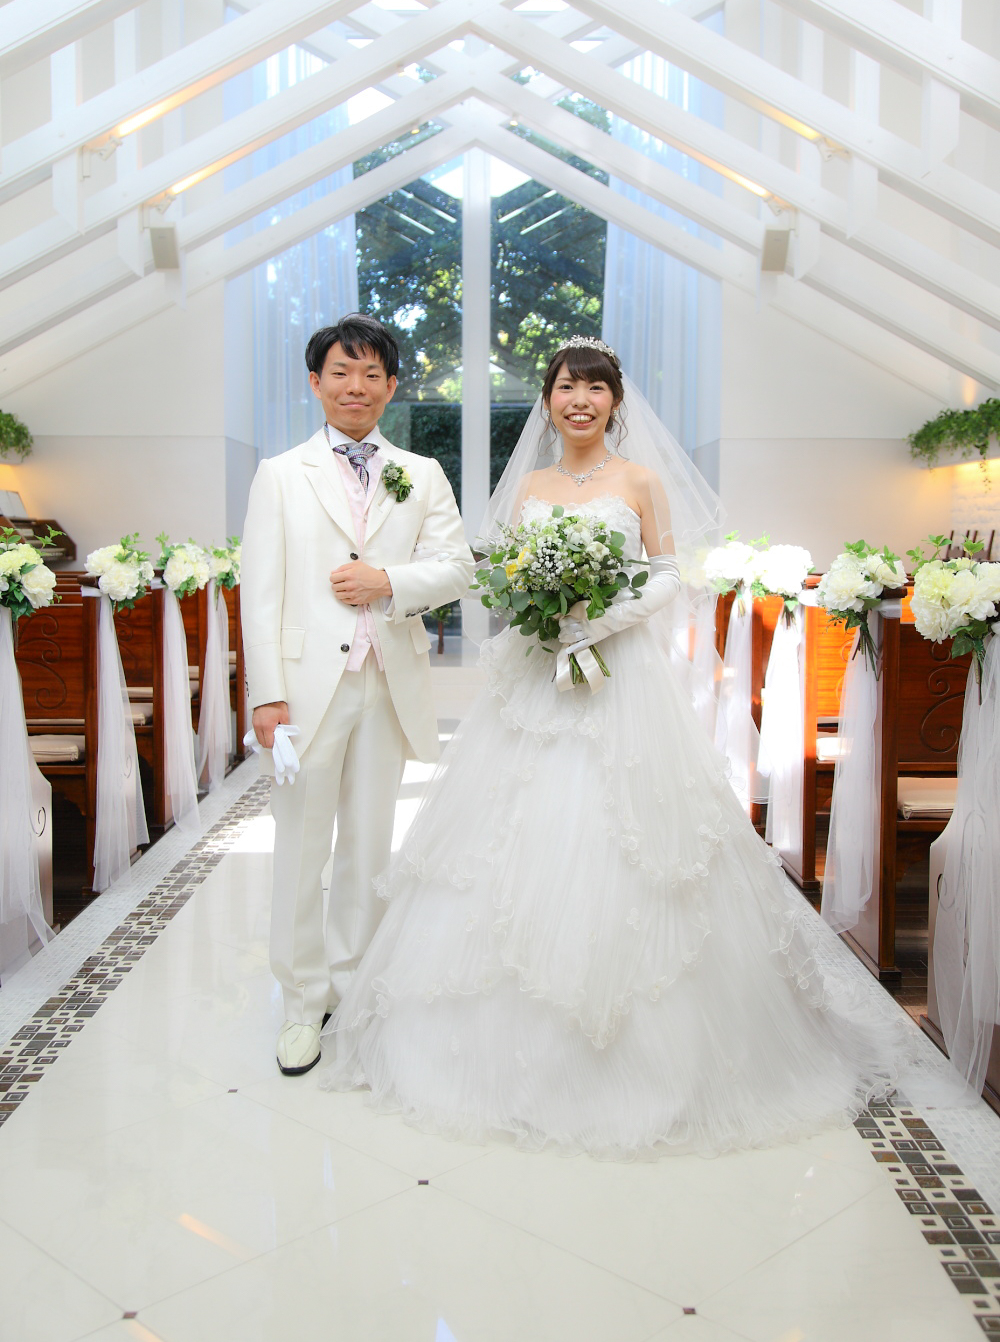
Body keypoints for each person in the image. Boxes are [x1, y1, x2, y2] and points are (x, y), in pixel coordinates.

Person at [319, 336, 908, 1157]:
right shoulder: (529, 487)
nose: (580, 401)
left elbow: (666, 571)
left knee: (637, 840)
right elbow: (499, 573)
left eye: (595, 389)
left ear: (616, 402)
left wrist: (604, 618)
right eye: (567, 387)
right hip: (538, 674)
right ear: (549, 400)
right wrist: (544, 607)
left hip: (621, 675)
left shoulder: (639, 482)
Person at [241, 314, 474, 1077]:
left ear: (392, 385)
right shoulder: (281, 474)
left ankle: (351, 986)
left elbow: (458, 567)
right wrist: (267, 695)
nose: (356, 386)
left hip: (387, 680)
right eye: (342, 372)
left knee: (370, 846)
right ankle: (300, 1002)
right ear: (316, 382)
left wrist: (388, 582)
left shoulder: (421, 473)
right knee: (301, 847)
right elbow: (259, 590)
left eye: (372, 374)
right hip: (305, 689)